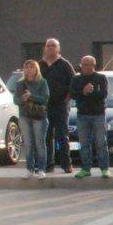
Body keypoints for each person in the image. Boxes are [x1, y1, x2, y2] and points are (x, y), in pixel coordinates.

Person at [38, 37, 73, 173]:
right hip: (44, 105)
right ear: (45, 48)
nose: (51, 48)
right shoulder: (40, 65)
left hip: (60, 106)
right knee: (46, 136)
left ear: (58, 49)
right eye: (48, 45)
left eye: (54, 45)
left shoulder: (65, 64)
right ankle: (48, 164)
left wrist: (67, 98)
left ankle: (66, 164)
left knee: (62, 135)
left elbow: (73, 83)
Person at [71, 56, 110, 178]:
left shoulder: (101, 78)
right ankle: (85, 168)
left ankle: (104, 168)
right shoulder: (76, 79)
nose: (86, 67)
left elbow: (103, 94)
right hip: (82, 114)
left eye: (89, 64)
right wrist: (84, 92)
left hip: (98, 114)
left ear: (94, 65)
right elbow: (73, 94)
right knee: (84, 143)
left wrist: (90, 93)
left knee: (100, 142)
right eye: (84, 64)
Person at [14, 60, 51, 177]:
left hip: (39, 116)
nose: (29, 69)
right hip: (25, 116)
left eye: (32, 67)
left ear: (36, 69)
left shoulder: (42, 82)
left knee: (40, 143)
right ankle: (29, 168)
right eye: (27, 67)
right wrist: (23, 98)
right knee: (28, 144)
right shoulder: (20, 83)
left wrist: (32, 96)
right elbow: (16, 100)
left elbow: (45, 98)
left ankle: (41, 169)